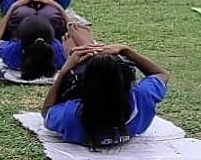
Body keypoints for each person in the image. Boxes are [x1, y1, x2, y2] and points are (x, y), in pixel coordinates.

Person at [41, 43, 169, 149]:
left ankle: (85, 44)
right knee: (97, 57)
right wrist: (126, 51)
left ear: (84, 86)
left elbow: (47, 111)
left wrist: (63, 72)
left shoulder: (70, 116)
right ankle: (87, 43)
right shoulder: (141, 99)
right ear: (128, 83)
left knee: (77, 43)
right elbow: (161, 74)